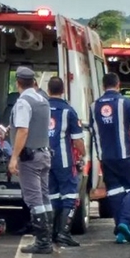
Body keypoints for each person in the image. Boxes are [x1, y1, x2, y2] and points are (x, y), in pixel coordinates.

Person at [91, 73, 130, 244]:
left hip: (105, 157)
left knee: (115, 191)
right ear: (118, 85)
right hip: (125, 155)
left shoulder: (94, 105)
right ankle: (125, 222)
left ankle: (121, 232)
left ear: (103, 86)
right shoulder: (125, 103)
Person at [6, 67, 52, 254]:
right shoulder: (43, 100)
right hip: (44, 153)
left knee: (34, 199)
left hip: (30, 156)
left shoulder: (23, 102)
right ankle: (49, 236)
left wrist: (14, 157)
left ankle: (42, 242)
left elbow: (23, 130)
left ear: (18, 82)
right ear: (34, 82)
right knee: (44, 197)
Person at [47, 76, 86, 247]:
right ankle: (64, 233)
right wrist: (83, 155)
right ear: (63, 91)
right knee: (70, 196)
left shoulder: (41, 109)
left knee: (52, 196)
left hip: (46, 160)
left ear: (48, 90)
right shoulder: (69, 111)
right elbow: (77, 140)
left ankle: (52, 233)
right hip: (64, 161)